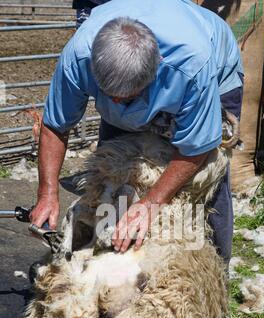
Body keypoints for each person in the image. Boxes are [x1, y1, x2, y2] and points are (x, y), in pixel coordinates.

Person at [30, 0, 243, 263]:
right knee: (113, 175)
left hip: (210, 69)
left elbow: (196, 148)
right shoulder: (79, 55)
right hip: (139, 71)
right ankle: (107, 257)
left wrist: (151, 203)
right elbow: (55, 125)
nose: (118, 103)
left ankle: (212, 273)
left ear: (156, 69)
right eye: (111, 95)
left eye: (128, 97)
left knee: (205, 181)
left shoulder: (193, 65)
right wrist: (47, 193)